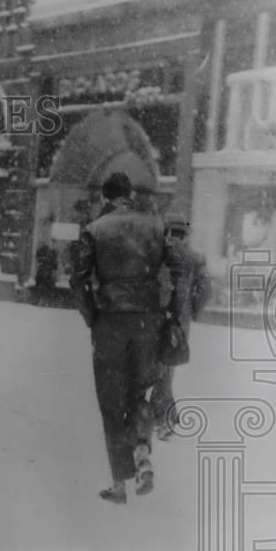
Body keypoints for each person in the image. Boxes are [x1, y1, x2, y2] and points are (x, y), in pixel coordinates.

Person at [70, 172, 183, 504]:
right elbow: (178, 270)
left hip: (110, 323)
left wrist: (92, 315)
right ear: (130, 194)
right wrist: (170, 314)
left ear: (106, 197)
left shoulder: (95, 229)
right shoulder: (155, 225)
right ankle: (143, 453)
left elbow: (78, 279)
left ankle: (120, 482)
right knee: (140, 393)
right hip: (149, 321)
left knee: (111, 400)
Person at [152, 213, 212, 440]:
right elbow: (205, 290)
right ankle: (166, 418)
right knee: (167, 367)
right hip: (179, 321)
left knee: (157, 368)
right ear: (186, 233)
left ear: (167, 231)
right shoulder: (195, 258)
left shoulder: (158, 254)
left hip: (155, 317)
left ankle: (164, 418)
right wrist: (192, 311)